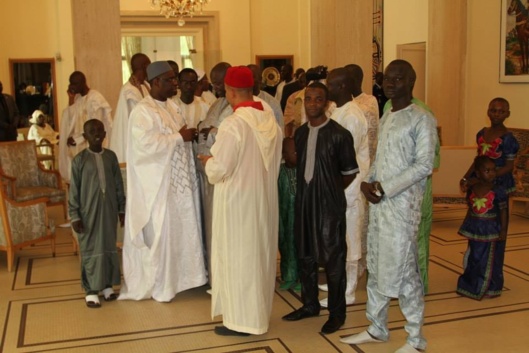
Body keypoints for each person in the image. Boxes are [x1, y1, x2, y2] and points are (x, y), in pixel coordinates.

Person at [341, 60, 438, 353]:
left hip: (403, 209)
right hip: (379, 205)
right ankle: (377, 327)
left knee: (405, 271)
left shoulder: (422, 118)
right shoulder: (386, 116)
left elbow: (424, 165)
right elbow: (380, 157)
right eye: (388, 78)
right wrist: (368, 181)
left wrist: (386, 187)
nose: (391, 83)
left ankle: (415, 338)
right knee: (377, 267)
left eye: (399, 78)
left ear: (411, 81)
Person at [197, 66, 282, 336]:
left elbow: (220, 168)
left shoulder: (234, 124)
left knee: (239, 259)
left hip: (238, 203)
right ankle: (257, 315)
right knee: (259, 257)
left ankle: (241, 321)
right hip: (263, 199)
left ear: (230, 91)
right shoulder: (268, 116)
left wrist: (209, 161)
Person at [119, 61, 207, 302]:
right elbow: (145, 145)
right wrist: (179, 138)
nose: (175, 84)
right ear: (155, 82)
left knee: (184, 229)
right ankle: (164, 284)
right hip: (160, 186)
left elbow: (180, 134)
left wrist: (188, 136)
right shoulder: (143, 111)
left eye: (174, 79)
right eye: (170, 80)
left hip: (181, 183)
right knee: (165, 233)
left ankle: (188, 277)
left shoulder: (171, 106)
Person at [282, 82, 358, 335]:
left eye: (318, 100)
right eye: (309, 99)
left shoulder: (339, 134)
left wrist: (329, 190)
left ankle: (337, 313)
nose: (313, 103)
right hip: (304, 203)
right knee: (305, 256)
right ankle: (310, 304)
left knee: (333, 260)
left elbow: (349, 173)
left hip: (329, 207)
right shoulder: (301, 133)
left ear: (326, 104)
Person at [317, 67, 369, 308]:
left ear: (343, 88)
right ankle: (337, 281)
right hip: (334, 186)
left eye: (331, 85)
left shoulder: (353, 116)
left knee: (350, 241)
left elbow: (345, 159)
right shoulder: (337, 110)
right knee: (337, 239)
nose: (327, 88)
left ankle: (347, 291)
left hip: (349, 188)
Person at [69, 119, 125, 308]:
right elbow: (74, 191)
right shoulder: (79, 160)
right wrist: (75, 216)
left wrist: (121, 209)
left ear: (105, 134)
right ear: (85, 137)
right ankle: (91, 290)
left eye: (100, 130)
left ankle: (107, 286)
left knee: (109, 245)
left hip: (108, 210)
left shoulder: (111, 157)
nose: (97, 134)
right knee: (91, 248)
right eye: (92, 131)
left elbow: (118, 185)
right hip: (88, 213)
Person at [344, 63, 379, 278]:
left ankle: (361, 265)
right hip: (352, 168)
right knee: (353, 223)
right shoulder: (346, 105)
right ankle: (352, 265)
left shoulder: (368, 102)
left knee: (362, 222)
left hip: (366, 167)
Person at [457, 155, 508, 299]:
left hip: (490, 229)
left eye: (493, 170)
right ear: (478, 173)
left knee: (489, 258)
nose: (492, 173)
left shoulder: (498, 190)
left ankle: (489, 287)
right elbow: (471, 207)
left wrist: (503, 229)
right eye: (487, 170)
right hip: (475, 228)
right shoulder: (472, 188)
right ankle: (471, 285)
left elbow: (503, 211)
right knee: (474, 256)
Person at [58, 71, 113, 183]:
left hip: (94, 145)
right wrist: (70, 98)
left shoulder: (95, 99)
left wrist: (78, 139)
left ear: (83, 83)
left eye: (75, 84)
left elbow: (96, 128)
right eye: (70, 84)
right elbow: (70, 119)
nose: (72, 87)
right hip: (80, 147)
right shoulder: (78, 99)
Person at [461, 97, 519, 195]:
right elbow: (478, 160)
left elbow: (509, 166)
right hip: (481, 177)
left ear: (507, 114)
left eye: (501, 112)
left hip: (499, 179)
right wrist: (466, 177)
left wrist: (487, 177)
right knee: (476, 206)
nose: (497, 114)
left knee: (497, 208)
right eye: (493, 111)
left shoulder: (508, 139)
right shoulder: (481, 133)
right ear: (488, 112)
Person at [110, 53, 151, 163]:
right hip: (133, 142)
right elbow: (138, 120)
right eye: (149, 65)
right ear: (144, 66)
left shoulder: (144, 86)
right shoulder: (129, 91)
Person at [278, 137, 300, 291]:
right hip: (284, 218)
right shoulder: (279, 172)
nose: (294, 155)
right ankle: (288, 276)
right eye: (288, 152)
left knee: (301, 248)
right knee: (286, 247)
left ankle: (303, 278)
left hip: (301, 219)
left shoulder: (304, 170)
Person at [247, 64, 284, 129]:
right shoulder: (236, 100)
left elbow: (280, 129)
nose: (249, 80)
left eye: (253, 77)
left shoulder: (272, 103)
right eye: (246, 77)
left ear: (260, 79)